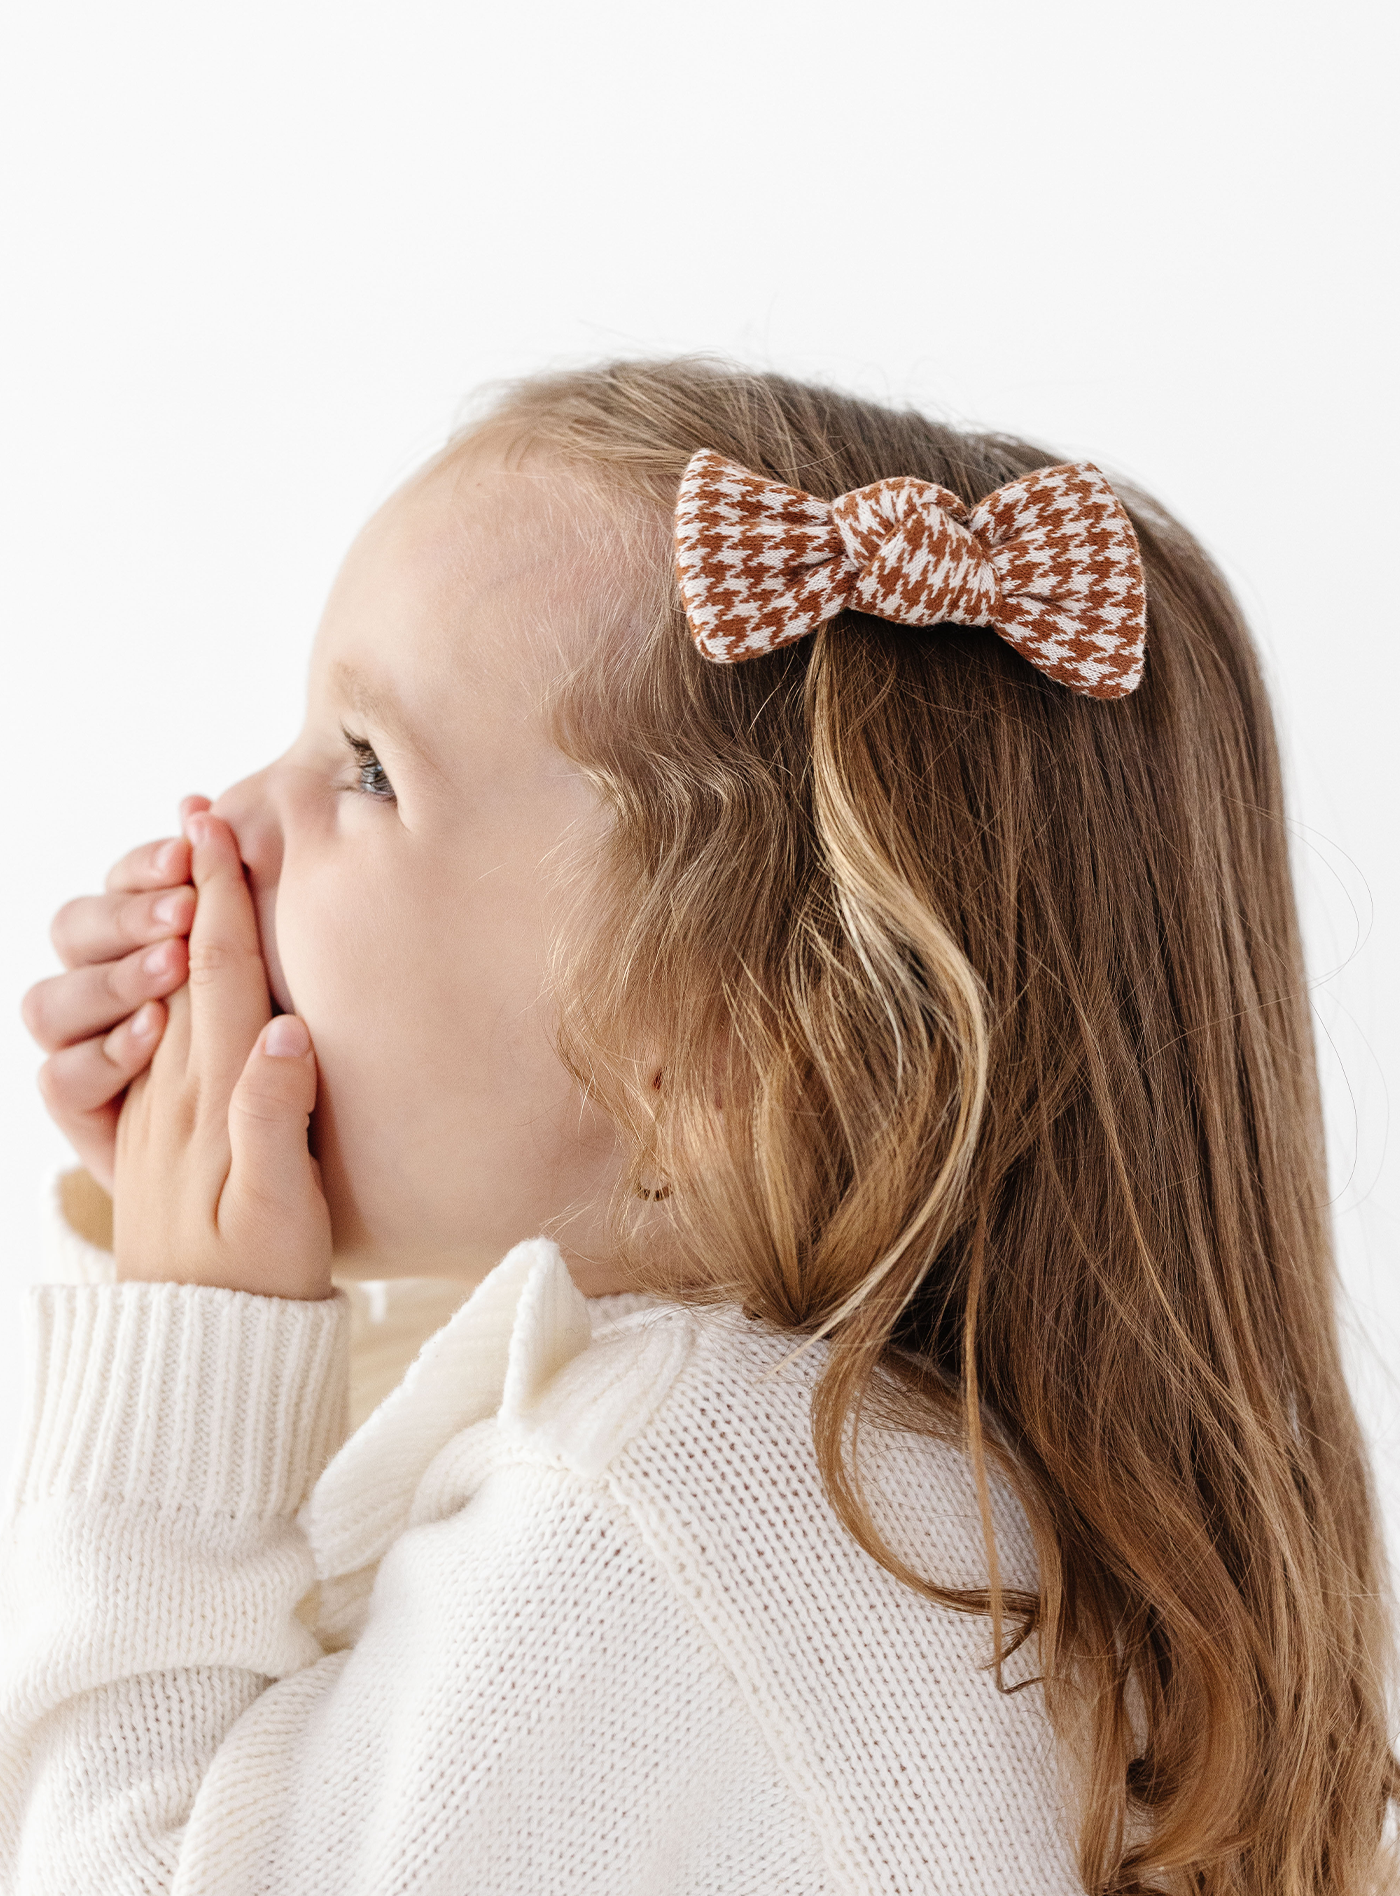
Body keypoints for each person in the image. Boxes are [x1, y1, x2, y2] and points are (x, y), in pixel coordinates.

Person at [4, 359, 1396, 1894]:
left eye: (369, 769)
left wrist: (185, 1354)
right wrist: (208, 1238)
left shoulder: (656, 1509)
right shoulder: (913, 1500)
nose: (230, 819)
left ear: (726, 1054)